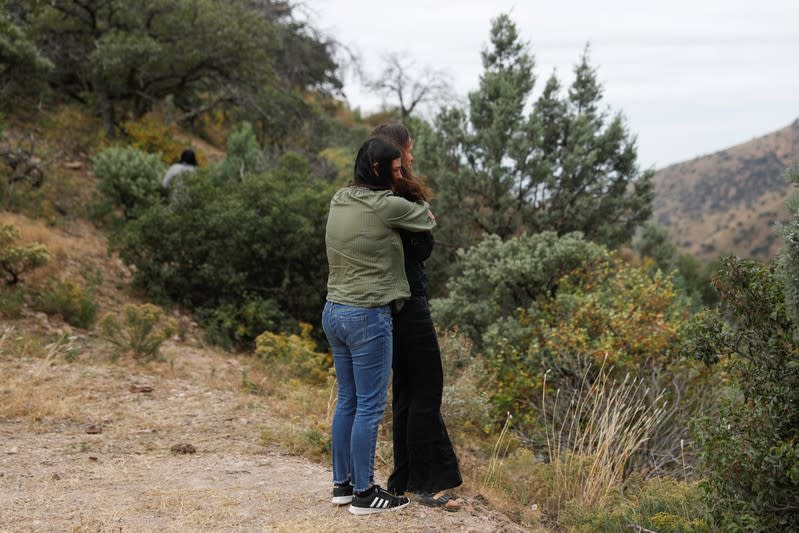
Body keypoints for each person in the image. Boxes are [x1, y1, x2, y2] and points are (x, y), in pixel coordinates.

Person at [323, 136, 436, 515]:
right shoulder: (387, 206)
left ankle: (342, 485)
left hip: (333, 311)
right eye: (397, 167)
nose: (400, 173)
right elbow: (427, 219)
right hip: (368, 315)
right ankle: (365, 493)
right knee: (370, 406)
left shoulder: (340, 198)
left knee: (348, 401)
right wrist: (405, 185)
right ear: (379, 170)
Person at [370, 123, 463, 511]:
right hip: (409, 300)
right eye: (409, 151)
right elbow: (421, 249)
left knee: (408, 392)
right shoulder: (399, 198)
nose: (411, 157)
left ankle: (404, 479)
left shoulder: (375, 196)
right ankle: (428, 484)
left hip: (390, 303)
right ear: (397, 153)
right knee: (426, 390)